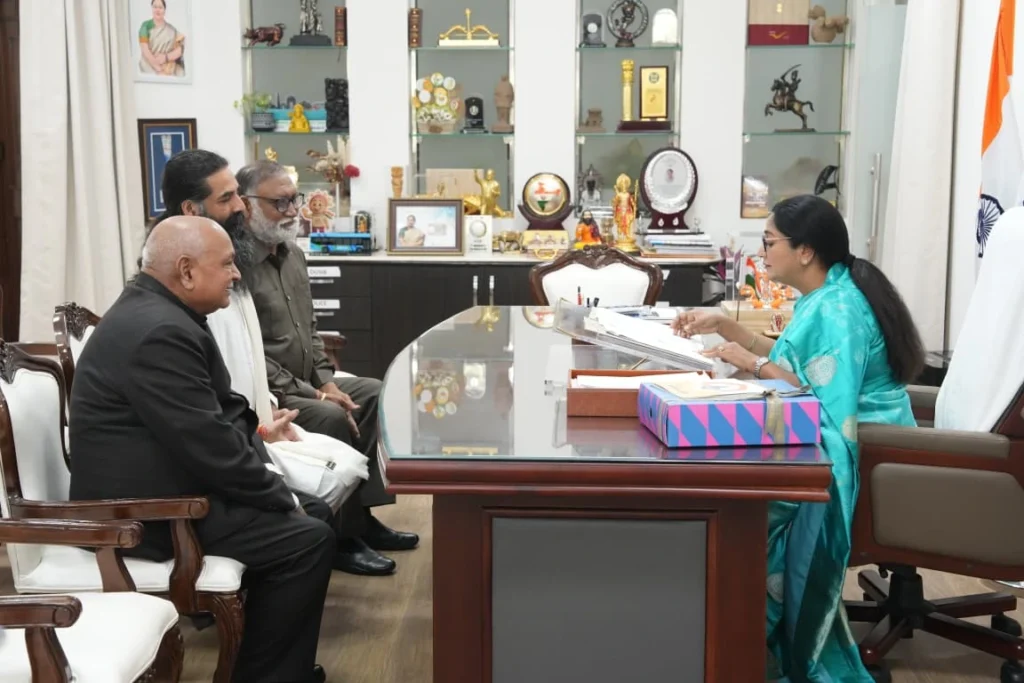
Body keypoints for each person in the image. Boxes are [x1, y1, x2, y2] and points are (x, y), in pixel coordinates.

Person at [672, 195, 924, 682]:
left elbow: (820, 403)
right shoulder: (830, 294)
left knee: (742, 507)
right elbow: (802, 366)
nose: (762, 253)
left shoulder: (837, 310)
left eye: (769, 243)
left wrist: (753, 365)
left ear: (805, 251)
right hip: (868, 443)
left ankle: (736, 643)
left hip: (866, 456)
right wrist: (727, 328)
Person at [69, 216, 332, 683]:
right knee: (306, 540)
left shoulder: (165, 313)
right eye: (227, 263)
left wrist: (269, 463)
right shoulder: (157, 331)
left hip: (173, 486)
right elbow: (209, 446)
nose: (237, 273)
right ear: (187, 271)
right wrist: (278, 493)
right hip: (144, 515)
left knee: (315, 514)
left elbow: (225, 413)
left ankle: (278, 668)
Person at [138, 0, 186, 78]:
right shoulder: (145, 26)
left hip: (168, 65)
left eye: (160, 7)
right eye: (155, 7)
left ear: (164, 10)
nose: (157, 10)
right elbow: (145, 50)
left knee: (180, 73)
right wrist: (159, 69)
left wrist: (166, 57)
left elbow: (181, 49)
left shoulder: (171, 30)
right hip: (149, 65)